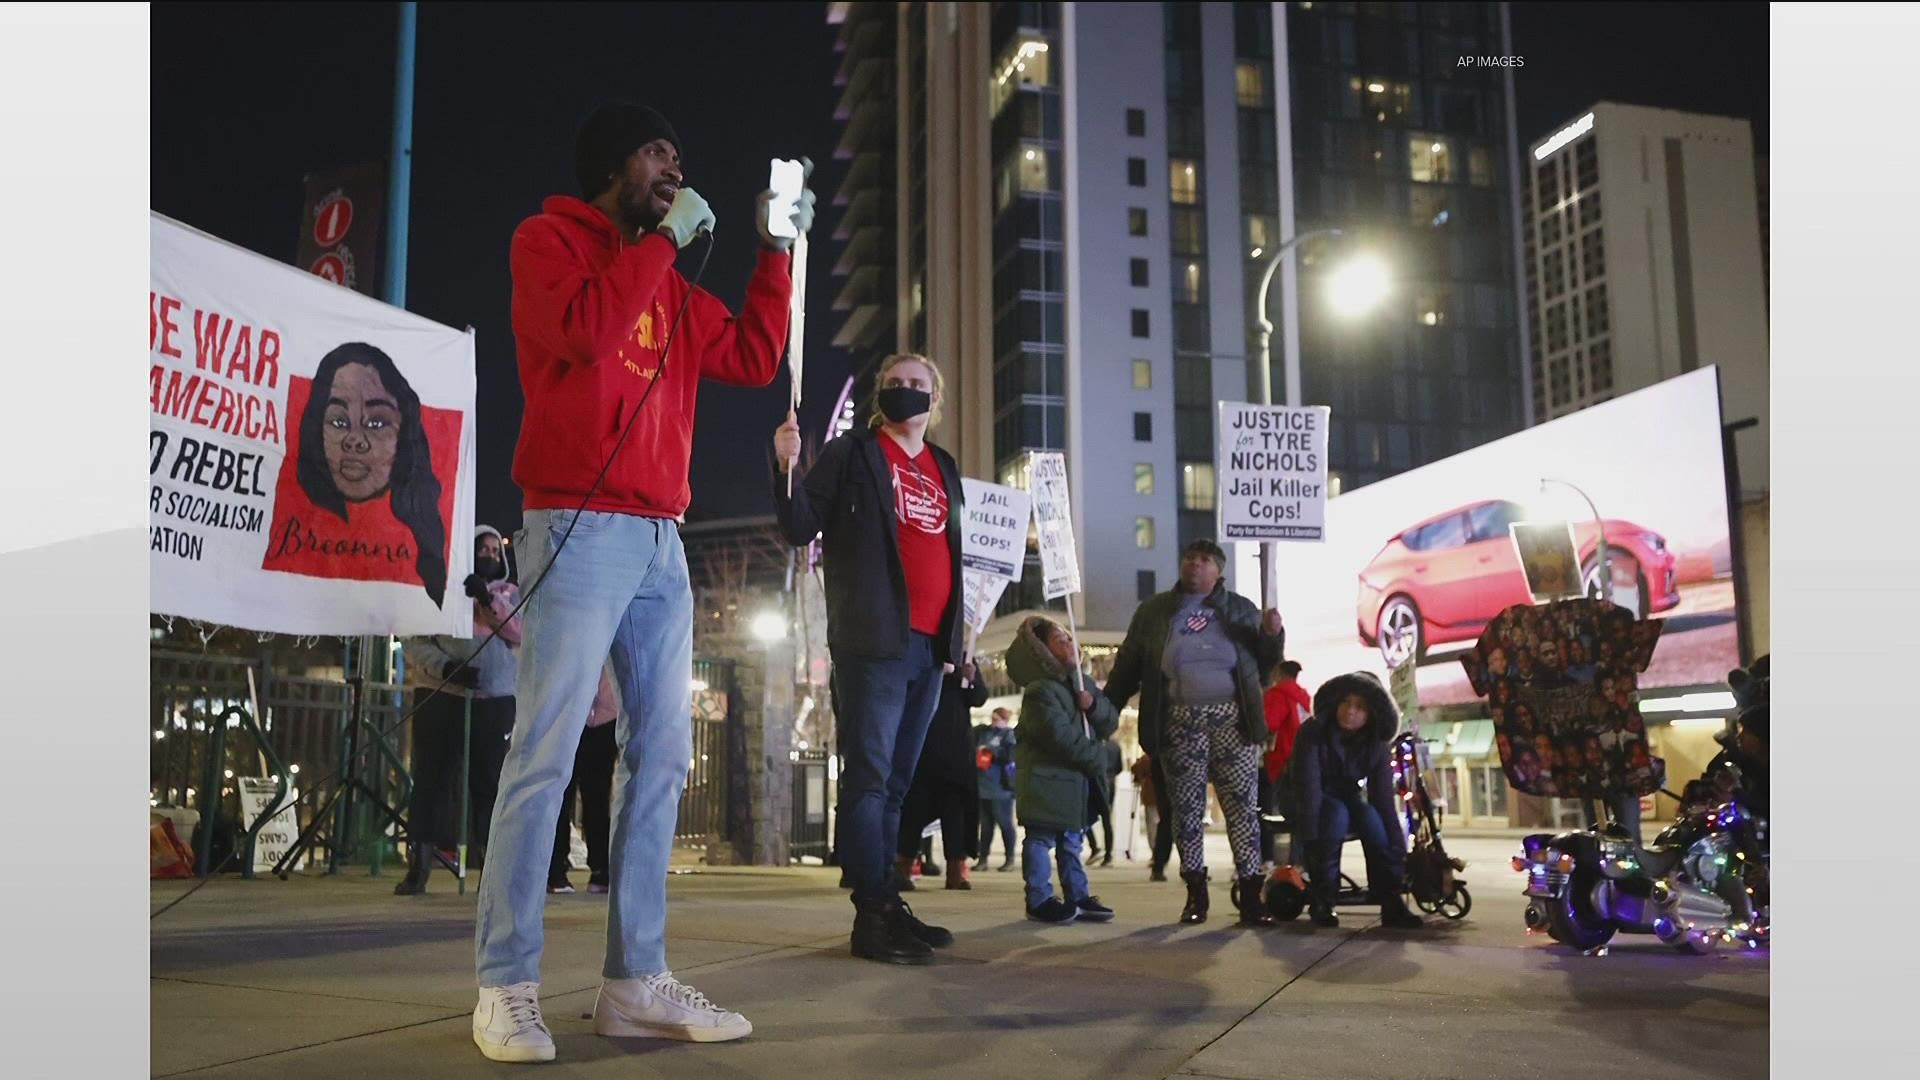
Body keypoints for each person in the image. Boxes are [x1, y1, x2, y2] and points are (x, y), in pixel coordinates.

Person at [471, 103, 813, 1063]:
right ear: (613, 164)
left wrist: (771, 249)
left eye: (678, 156)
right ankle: (505, 983)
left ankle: (633, 981)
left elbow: (748, 352)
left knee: (662, 755)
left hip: (662, 535)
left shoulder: (664, 276)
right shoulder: (549, 242)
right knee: (542, 752)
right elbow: (582, 330)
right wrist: (663, 241)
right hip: (575, 521)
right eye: (659, 153)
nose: (675, 167)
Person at [772, 352, 965, 966]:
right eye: (896, 383)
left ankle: (886, 901)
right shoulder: (853, 454)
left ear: (936, 399)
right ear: (882, 393)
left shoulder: (945, 466)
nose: (906, 392)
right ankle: (871, 914)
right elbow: (801, 525)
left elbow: (954, 557)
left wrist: (954, 645)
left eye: (918, 385)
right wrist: (785, 465)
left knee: (899, 782)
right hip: (872, 640)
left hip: (929, 648)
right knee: (870, 777)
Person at [1104, 539, 1285, 927]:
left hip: (1232, 722)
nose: (1195, 565)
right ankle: (1195, 893)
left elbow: (1267, 664)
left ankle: (1252, 894)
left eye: (1205, 560)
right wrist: (1105, 710)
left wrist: (1273, 635)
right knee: (1186, 812)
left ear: (1218, 570)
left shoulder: (1241, 609)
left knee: (1241, 810)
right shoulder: (1155, 612)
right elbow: (1127, 665)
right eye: (1189, 558)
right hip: (1179, 721)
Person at [271, 341, 449, 607]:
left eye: (376, 422)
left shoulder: (426, 543)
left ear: (405, 433)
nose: (354, 440)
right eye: (338, 421)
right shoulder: (287, 515)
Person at [396, 525, 522, 895]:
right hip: (440, 695)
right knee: (431, 780)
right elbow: (414, 640)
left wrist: (488, 601)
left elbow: (518, 632)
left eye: (494, 550)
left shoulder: (510, 593)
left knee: (488, 783)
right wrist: (446, 668)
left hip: (494, 700)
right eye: (480, 549)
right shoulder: (439, 590)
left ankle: (490, 865)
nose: (489, 555)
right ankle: (418, 864)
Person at [1289, 671, 1424, 930]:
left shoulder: (1377, 742)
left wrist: (1397, 851)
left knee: (1370, 818)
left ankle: (1390, 900)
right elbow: (1308, 790)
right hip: (1304, 796)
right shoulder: (1313, 732)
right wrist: (1310, 841)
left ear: (1372, 713)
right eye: (1346, 703)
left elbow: (1383, 801)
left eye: (1360, 707)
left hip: (1345, 795)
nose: (1351, 711)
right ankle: (1324, 897)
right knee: (1336, 814)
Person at [1007, 616, 1119, 924]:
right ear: (1042, 650)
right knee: (1041, 840)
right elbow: (1058, 737)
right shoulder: (1040, 692)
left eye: (1069, 639)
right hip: (1046, 781)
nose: (1069, 644)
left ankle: (1078, 895)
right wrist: (1097, 757)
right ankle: (1039, 898)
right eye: (1060, 640)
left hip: (1074, 784)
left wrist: (1092, 705)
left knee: (1072, 842)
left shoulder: (1084, 684)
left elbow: (1109, 722)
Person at [897, 658, 989, 891]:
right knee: (913, 811)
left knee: (955, 813)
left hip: (956, 751)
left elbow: (979, 697)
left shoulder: (964, 658)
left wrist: (970, 678)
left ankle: (956, 870)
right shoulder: (923, 653)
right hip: (922, 747)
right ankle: (903, 866)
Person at [549, 665, 619, 895]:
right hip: (569, 716)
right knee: (561, 796)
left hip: (604, 720)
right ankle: (556, 869)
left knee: (597, 797)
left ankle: (600, 869)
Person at [1261, 660, 1310, 870]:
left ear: (1279, 673)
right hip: (1303, 762)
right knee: (1303, 813)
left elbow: (1270, 723)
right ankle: (1300, 863)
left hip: (1282, 762)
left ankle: (1275, 861)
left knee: (1277, 813)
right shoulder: (1304, 698)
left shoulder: (1277, 695)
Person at [972, 708, 1018, 872]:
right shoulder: (985, 733)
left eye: (997, 718)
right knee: (986, 826)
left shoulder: (1008, 735)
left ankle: (1010, 858)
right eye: (993, 718)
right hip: (983, 785)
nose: (994, 721)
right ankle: (982, 859)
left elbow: (1011, 757)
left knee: (1005, 824)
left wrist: (992, 751)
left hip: (1001, 788)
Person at [1128, 753, 1170, 880]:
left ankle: (1155, 854)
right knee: (1164, 824)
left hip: (1152, 796)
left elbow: (1135, 769)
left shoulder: (1148, 758)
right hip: (1162, 795)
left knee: (1153, 825)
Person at [1084, 736, 1122, 868]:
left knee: (1084, 816)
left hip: (1095, 782)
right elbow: (1119, 767)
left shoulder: (1092, 744)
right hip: (1110, 783)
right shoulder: (1115, 746)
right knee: (1107, 820)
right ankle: (1108, 855)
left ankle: (1094, 847)